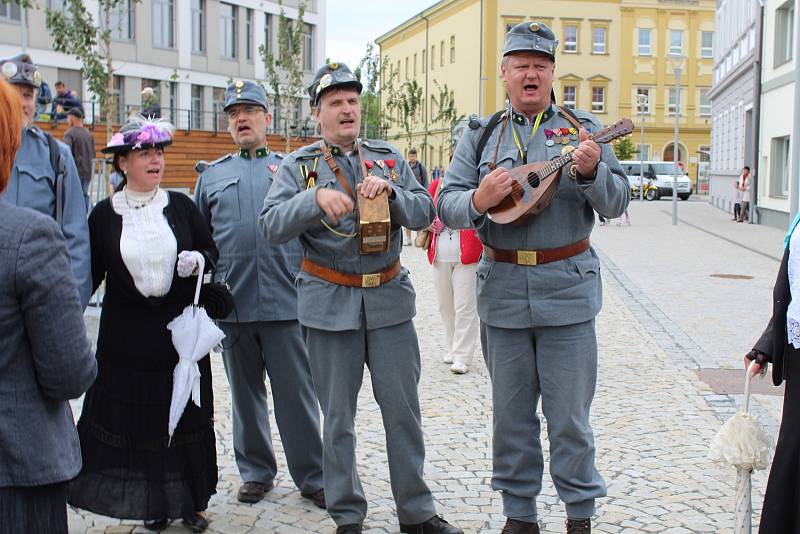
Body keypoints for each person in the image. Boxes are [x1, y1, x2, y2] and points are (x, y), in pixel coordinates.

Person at [438, 22, 630, 534]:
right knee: (512, 417)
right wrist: (478, 200)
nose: (530, 73)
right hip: (501, 293)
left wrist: (590, 174)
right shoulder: (479, 134)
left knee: (569, 418)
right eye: (520, 64)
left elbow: (617, 201)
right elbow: (447, 201)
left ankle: (579, 515)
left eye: (540, 65)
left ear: (551, 73)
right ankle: (519, 515)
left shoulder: (581, 129)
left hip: (567, 290)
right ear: (503, 73)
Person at [261, 62, 463, 534]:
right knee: (338, 421)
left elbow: (425, 212)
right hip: (330, 307)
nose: (347, 109)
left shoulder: (388, 157)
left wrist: (392, 193)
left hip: (389, 303)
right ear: (318, 112)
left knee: (403, 414)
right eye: (336, 102)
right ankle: (347, 515)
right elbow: (270, 226)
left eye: (353, 101)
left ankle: (416, 512)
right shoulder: (300, 167)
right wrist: (313, 201)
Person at [67, 116, 219, 533]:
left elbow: (211, 250)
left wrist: (199, 262)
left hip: (177, 340)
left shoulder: (181, 206)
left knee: (185, 418)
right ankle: (153, 502)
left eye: (159, 152)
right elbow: (90, 274)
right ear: (122, 164)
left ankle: (193, 502)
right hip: (127, 342)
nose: (155, 160)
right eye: (144, 153)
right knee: (143, 424)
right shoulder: (103, 216)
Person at [194, 80, 325, 508]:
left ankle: (313, 475)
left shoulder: (292, 170)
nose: (241, 119)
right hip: (232, 303)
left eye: (249, 110)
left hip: (286, 300)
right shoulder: (212, 176)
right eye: (233, 113)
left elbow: (313, 233)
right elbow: (200, 242)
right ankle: (256, 471)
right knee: (244, 395)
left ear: (268, 118)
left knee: (296, 394)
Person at [0, 76, 97, 534]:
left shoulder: (55, 154)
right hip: (19, 468)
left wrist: (65, 309)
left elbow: (76, 234)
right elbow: (69, 372)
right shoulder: (28, 235)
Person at [0, 54, 92, 308]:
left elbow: (75, 238)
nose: (21, 103)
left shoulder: (55, 156)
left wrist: (70, 310)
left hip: (37, 301)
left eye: (28, 95)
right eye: (12, 93)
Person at [746, 211, 800, 533]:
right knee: (793, 449)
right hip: (799, 352)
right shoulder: (798, 223)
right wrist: (765, 347)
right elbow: (789, 292)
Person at [426, 176, 482, 374]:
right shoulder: (436, 184)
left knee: (465, 305)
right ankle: (451, 346)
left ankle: (462, 355)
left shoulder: (474, 183)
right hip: (440, 253)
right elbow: (425, 209)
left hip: (467, 254)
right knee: (445, 305)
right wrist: (427, 223)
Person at [63, 107, 96, 205]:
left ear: (72, 118)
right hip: (88, 171)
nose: (67, 120)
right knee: (84, 195)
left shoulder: (70, 133)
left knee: (74, 198)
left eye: (68, 117)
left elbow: (66, 152)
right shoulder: (89, 135)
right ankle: (87, 217)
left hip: (75, 171)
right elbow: (93, 153)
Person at [403, 148, 429, 246]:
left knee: (419, 217)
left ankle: (419, 238)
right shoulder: (406, 167)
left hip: (419, 195)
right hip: (408, 195)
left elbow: (425, 182)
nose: (412, 158)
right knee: (407, 217)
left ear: (416, 156)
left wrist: (425, 193)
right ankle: (408, 238)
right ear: (408, 156)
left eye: (414, 156)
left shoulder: (421, 167)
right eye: (410, 156)